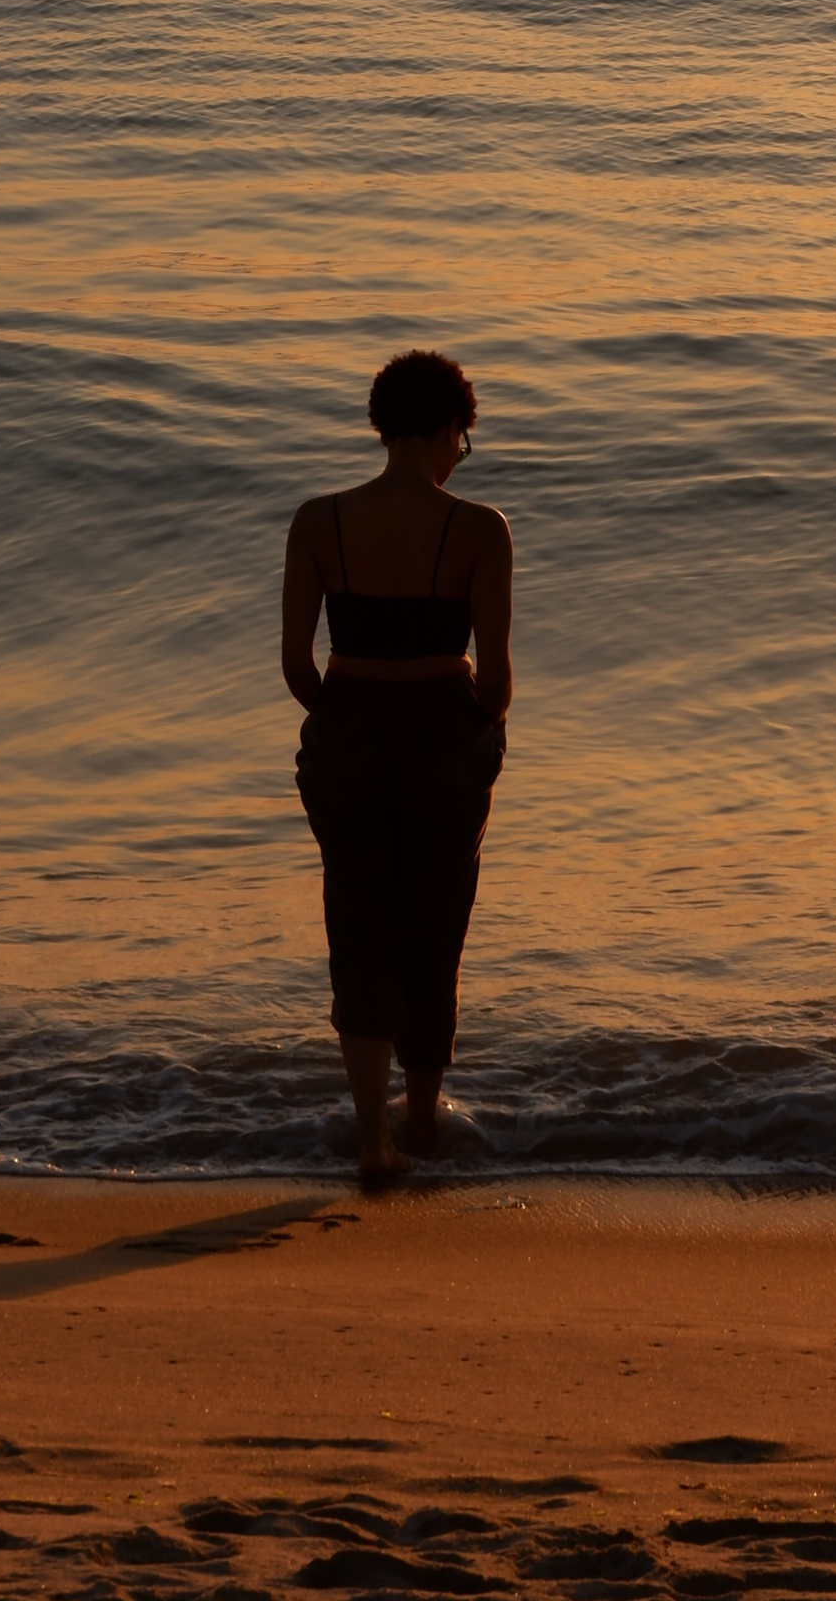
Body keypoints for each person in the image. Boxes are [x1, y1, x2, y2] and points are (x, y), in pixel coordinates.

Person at [282, 351, 513, 1181]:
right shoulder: (479, 528)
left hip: (347, 729)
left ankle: (370, 1140)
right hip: (442, 737)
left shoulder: (320, 520)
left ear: (382, 427)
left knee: (359, 924)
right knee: (434, 929)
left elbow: (298, 668)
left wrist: (349, 720)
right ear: (455, 430)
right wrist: (474, 727)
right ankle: (420, 1125)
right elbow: (497, 680)